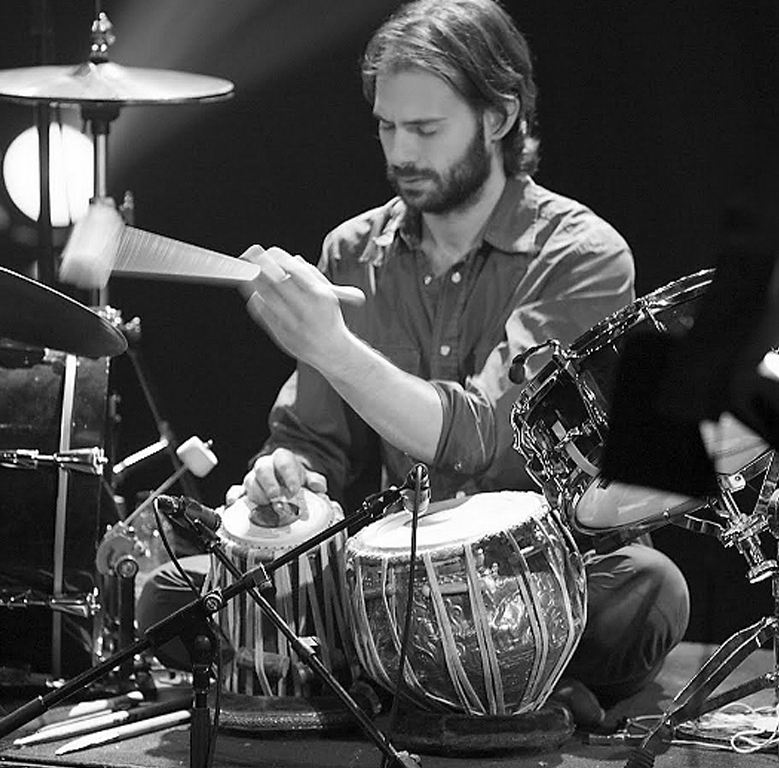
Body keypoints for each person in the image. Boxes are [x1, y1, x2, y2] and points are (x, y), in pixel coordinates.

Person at [138, 0, 689, 729]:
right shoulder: (353, 252)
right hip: (392, 582)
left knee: (648, 590)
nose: (400, 152)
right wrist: (286, 479)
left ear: (497, 119)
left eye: (426, 129)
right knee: (167, 595)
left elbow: (492, 439)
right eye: (387, 127)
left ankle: (391, 674)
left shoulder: (582, 256)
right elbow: (314, 442)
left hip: (537, 576)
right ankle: (471, 686)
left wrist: (330, 345)